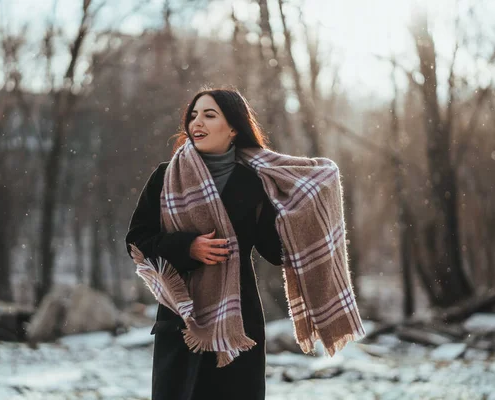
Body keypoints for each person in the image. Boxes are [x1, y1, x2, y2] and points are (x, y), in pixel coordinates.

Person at [125, 88, 365, 400]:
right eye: (194, 115)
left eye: (210, 115)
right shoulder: (166, 176)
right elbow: (137, 241)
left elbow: (273, 251)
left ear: (234, 128)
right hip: (182, 322)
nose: (197, 122)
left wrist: (303, 213)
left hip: (239, 323)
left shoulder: (254, 180)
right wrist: (187, 247)